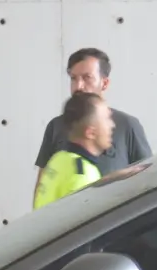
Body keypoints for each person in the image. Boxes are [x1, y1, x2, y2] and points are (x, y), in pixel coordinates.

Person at [33, 48, 150, 206]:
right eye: (73, 78)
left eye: (87, 78)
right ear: (90, 132)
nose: (78, 86)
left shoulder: (128, 126)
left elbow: (146, 181)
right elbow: (43, 187)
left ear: (104, 83)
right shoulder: (55, 126)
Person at [34, 92, 115, 209]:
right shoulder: (83, 176)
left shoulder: (59, 158)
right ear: (90, 133)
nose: (112, 125)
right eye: (107, 119)